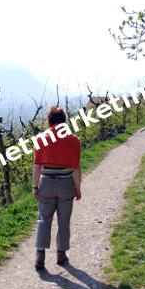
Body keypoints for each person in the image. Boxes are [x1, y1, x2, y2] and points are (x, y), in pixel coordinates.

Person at [33, 106, 82, 270]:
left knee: (44, 219)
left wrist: (35, 187)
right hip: (66, 184)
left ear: (49, 121)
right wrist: (78, 188)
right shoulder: (74, 140)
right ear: (64, 121)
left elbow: (37, 167)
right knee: (64, 221)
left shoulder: (41, 139)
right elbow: (76, 168)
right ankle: (61, 255)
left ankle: (40, 255)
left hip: (46, 184)